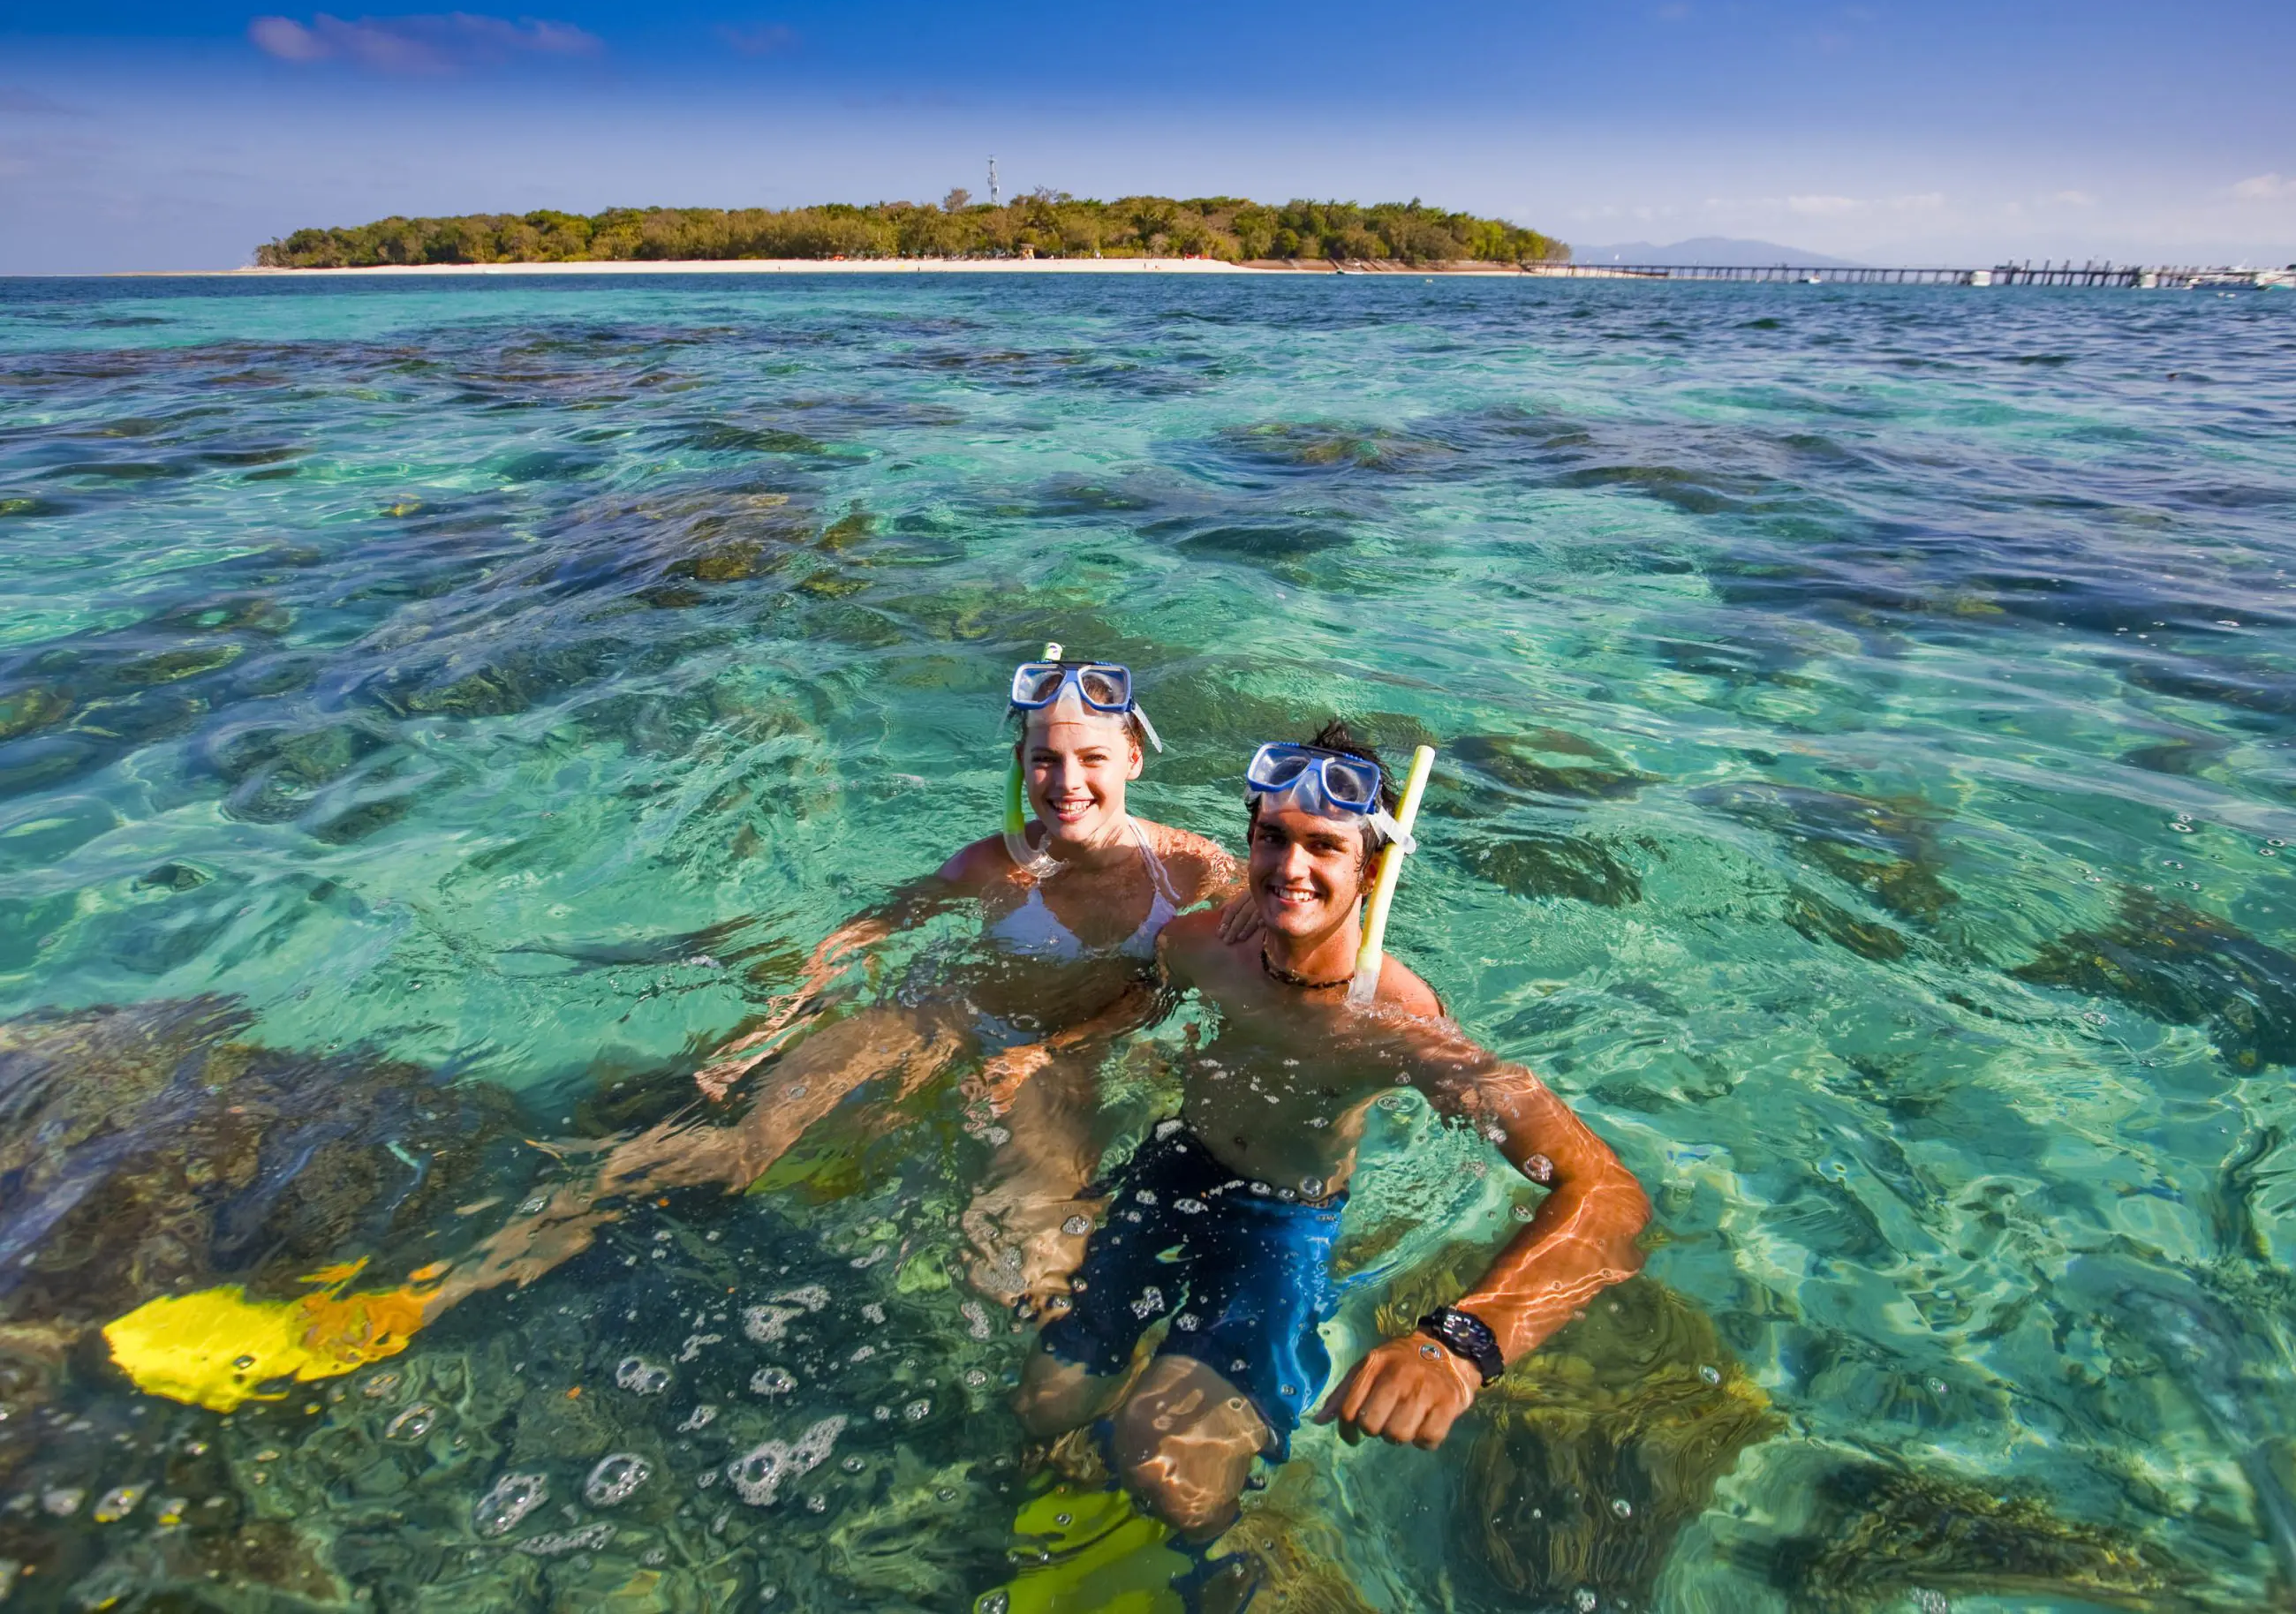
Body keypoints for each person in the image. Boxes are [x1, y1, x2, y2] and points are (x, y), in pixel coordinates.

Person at [1010, 723, 1650, 1538]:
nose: (1291, 869)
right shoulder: (1205, 944)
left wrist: (1460, 1348)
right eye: (1272, 840)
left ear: (1372, 868)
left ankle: (1234, 1561)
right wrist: (1043, 1067)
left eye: (1323, 847)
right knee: (1041, 1402)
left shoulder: (1401, 1025)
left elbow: (1606, 1193)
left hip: (1279, 1218)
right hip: (1173, 1163)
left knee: (1169, 1474)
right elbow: (1139, 1003)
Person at [449, 653, 1249, 1307]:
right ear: (1021, 764)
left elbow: (1184, 978)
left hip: (1058, 1058)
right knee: (746, 1145)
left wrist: (1051, 1052)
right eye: (1045, 759)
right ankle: (515, 1241)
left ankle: (1064, 1411)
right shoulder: (990, 865)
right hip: (936, 1016)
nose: (1065, 781)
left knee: (1025, 1248)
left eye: (1091, 759)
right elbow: (865, 931)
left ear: (1133, 759)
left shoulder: (1189, 870)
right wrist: (770, 1029)